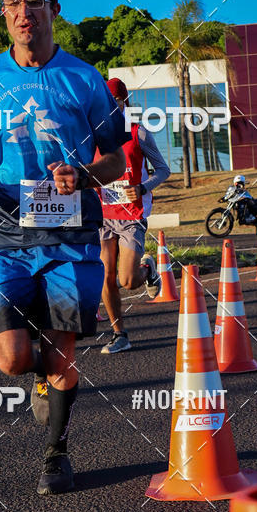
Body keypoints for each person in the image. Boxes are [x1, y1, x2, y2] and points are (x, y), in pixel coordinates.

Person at [0, 0, 126, 496]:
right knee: (11, 360)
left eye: (35, 2)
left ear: (55, 9)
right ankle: (37, 379)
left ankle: (56, 453)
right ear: (3, 14)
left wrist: (86, 176)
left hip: (70, 228)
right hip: (6, 223)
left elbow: (118, 158)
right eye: (13, 4)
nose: (24, 12)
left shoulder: (84, 79)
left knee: (60, 355)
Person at [97, 78, 171, 353]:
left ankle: (147, 270)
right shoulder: (92, 133)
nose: (109, 106)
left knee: (127, 280)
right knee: (105, 275)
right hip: (103, 213)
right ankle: (120, 334)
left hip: (131, 213)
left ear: (123, 101)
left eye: (114, 100)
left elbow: (163, 170)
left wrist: (142, 187)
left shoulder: (138, 132)